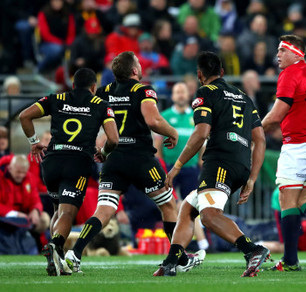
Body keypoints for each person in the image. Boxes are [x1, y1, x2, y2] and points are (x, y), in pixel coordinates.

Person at [153, 51, 268, 277]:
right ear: (222, 72)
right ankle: (172, 261)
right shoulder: (244, 97)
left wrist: (176, 166)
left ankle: (252, 250)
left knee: (209, 215)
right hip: (242, 165)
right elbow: (260, 139)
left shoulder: (206, 92)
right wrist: (252, 178)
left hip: (220, 160)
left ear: (199, 75)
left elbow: (201, 132)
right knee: (188, 207)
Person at [65, 52, 180, 274]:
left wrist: (98, 148)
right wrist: (172, 131)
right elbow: (153, 120)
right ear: (135, 70)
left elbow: (88, 120)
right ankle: (177, 257)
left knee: (105, 209)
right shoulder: (143, 90)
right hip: (141, 158)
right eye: (138, 63)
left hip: (113, 158)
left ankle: (75, 252)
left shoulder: (104, 92)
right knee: (168, 205)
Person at [18, 67, 118, 276]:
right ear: (94, 87)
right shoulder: (101, 105)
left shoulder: (56, 98)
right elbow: (113, 139)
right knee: (67, 212)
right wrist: (104, 153)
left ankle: (58, 260)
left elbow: (24, 116)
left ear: (72, 85)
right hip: (78, 163)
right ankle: (55, 245)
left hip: (52, 162)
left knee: (57, 210)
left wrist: (34, 142)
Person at [262, 34, 306, 271]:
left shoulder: (290, 74)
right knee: (303, 196)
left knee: (287, 199)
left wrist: (252, 130)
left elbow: (277, 114)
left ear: (296, 53)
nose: (278, 55)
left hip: (299, 144)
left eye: (282, 50)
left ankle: (291, 260)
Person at [155, 82, 200, 200]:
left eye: (183, 92)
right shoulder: (164, 116)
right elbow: (157, 144)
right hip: (169, 168)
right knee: (168, 203)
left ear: (189, 95)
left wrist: (200, 163)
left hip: (191, 167)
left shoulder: (197, 116)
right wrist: (161, 167)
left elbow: (202, 142)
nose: (180, 95)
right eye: (177, 92)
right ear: (172, 96)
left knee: (191, 205)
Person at [0, 154, 50, 253]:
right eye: (18, 172)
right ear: (10, 168)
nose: (21, 175)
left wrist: (35, 211)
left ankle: (38, 247)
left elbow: (35, 199)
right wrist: (14, 214)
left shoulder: (29, 178)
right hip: (4, 218)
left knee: (44, 219)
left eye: (23, 172)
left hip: (25, 218)